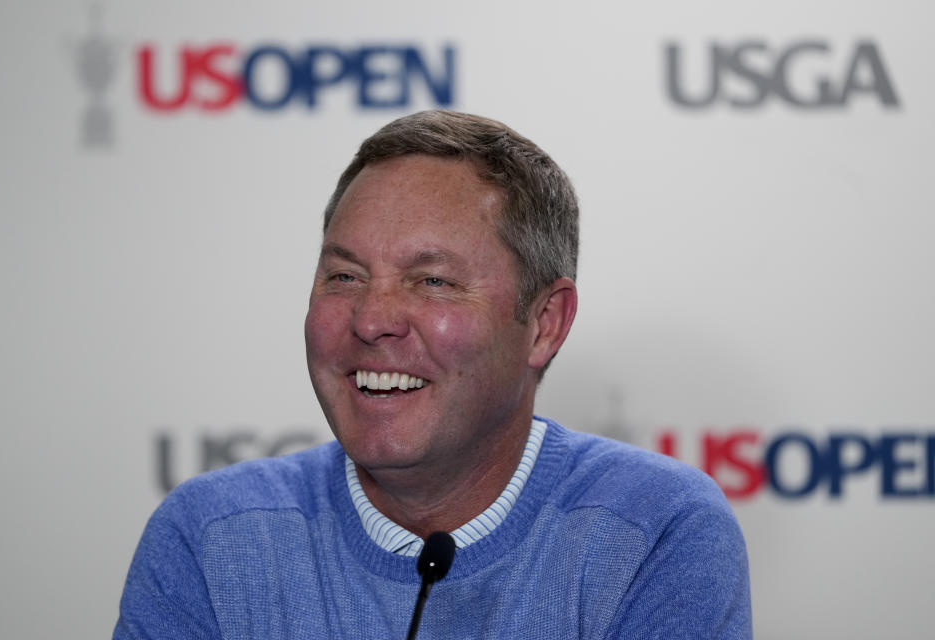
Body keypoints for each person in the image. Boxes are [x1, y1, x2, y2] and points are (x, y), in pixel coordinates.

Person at [115, 110, 752, 639]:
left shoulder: (654, 530)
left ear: (544, 323)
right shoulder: (210, 536)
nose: (372, 319)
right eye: (344, 277)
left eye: (433, 282)